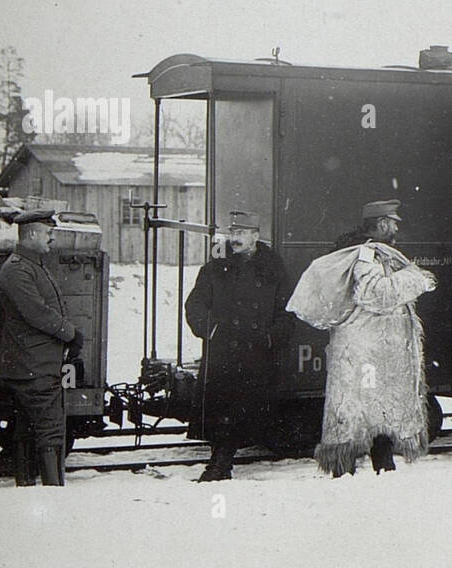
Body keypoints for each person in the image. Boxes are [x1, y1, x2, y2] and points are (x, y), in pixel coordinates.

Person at [317, 200, 436, 477]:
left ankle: (378, 464)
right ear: (382, 224)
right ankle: (347, 470)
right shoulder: (367, 254)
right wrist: (414, 279)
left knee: (370, 408)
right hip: (364, 347)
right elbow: (374, 293)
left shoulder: (365, 251)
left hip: (369, 346)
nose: (396, 227)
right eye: (393, 222)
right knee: (357, 409)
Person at [184, 211, 294, 482]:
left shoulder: (273, 269)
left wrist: (271, 338)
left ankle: (224, 459)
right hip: (223, 351)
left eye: (242, 233)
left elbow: (288, 312)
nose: (235, 239)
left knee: (246, 410)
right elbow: (194, 305)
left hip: (257, 353)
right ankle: (220, 462)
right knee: (221, 409)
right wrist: (211, 330)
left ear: (255, 236)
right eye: (233, 233)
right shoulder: (215, 268)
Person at [0, 209, 80, 487]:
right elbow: (37, 312)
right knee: (50, 431)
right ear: (31, 234)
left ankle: (27, 487)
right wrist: (70, 333)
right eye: (48, 233)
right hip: (35, 365)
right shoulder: (18, 270)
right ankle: (53, 493)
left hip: (33, 363)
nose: (51, 239)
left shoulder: (30, 265)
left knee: (28, 429)